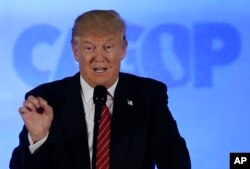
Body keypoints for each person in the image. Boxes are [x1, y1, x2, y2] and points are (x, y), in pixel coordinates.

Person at [9, 9, 191, 169]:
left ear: (123, 49)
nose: (99, 57)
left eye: (108, 47)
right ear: (75, 51)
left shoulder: (147, 96)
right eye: (89, 47)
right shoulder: (47, 99)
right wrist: (38, 137)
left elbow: (176, 161)